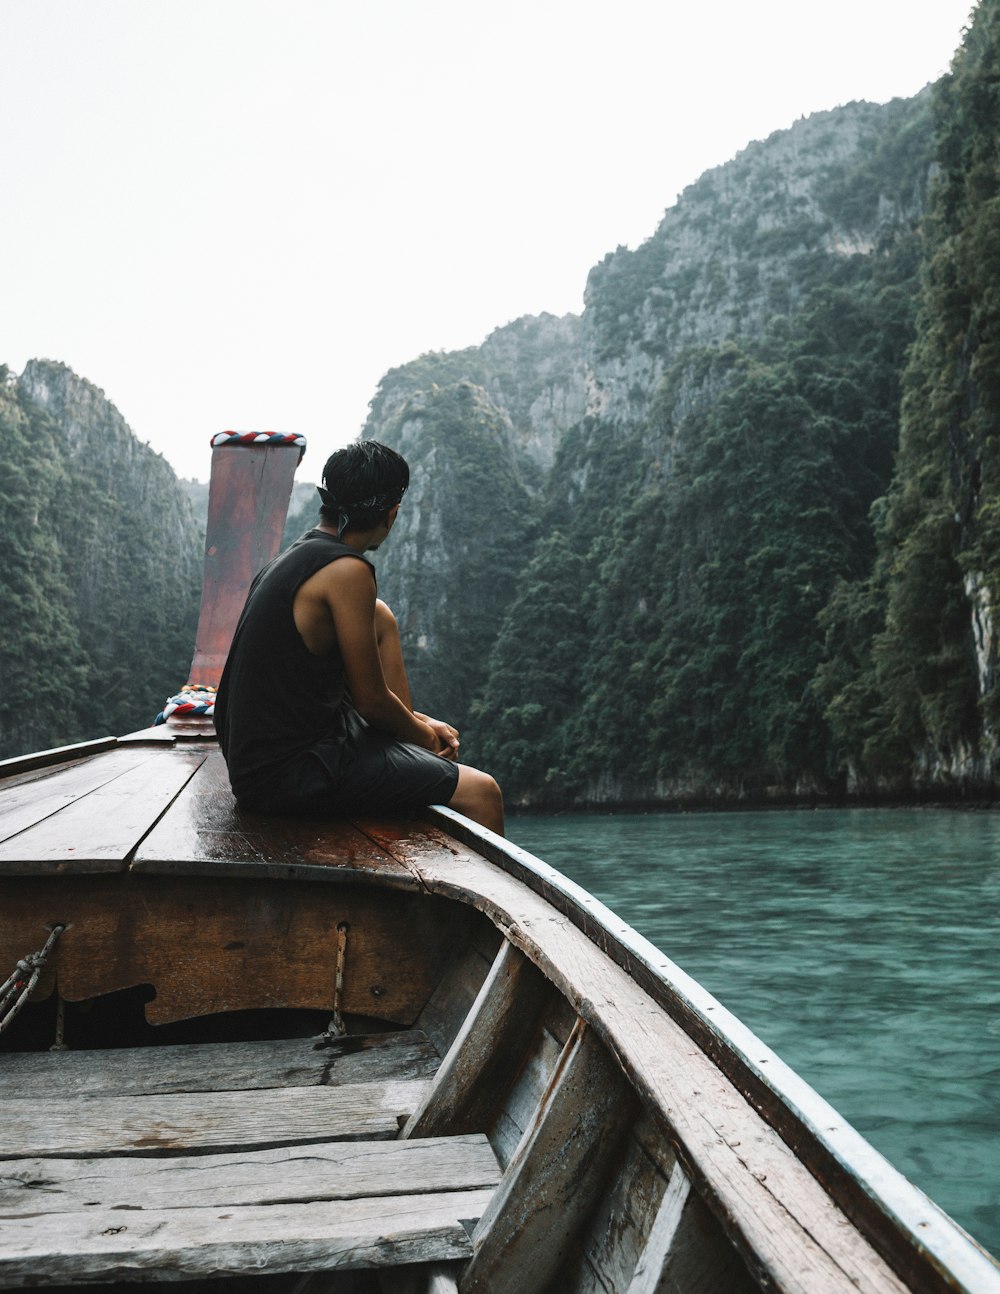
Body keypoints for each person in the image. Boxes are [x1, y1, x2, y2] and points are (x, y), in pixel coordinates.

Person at [214, 439, 504, 835]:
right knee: (483, 792)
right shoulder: (348, 571)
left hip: (258, 764)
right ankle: (461, 889)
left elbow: (361, 696)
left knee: (380, 615)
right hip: (290, 775)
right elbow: (369, 701)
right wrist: (430, 739)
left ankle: (412, 750)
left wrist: (419, 722)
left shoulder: (296, 556)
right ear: (392, 513)